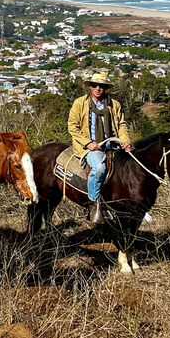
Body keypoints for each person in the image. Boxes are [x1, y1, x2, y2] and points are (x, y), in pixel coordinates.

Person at [68, 72, 131, 224]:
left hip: (111, 143)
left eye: (101, 86)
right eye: (94, 85)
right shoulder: (80, 103)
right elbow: (72, 126)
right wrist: (88, 143)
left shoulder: (114, 104)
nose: (98, 88)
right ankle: (93, 204)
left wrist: (125, 141)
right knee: (100, 168)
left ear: (105, 88)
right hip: (90, 146)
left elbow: (121, 125)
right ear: (90, 87)